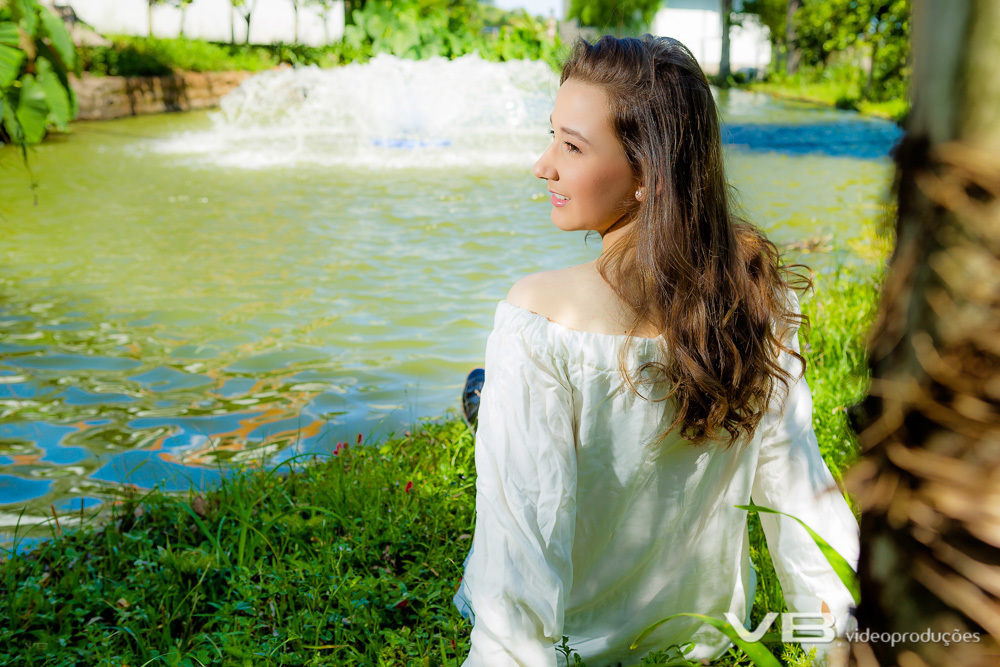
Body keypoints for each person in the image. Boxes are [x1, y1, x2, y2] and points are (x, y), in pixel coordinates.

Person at [453, 35, 860, 667]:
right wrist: (843, 640)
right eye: (552, 136)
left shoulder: (540, 313)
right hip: (702, 634)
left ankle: (481, 402)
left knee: (493, 393)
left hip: (577, 644)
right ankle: (483, 402)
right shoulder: (756, 298)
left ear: (648, 175)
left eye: (571, 145)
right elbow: (799, 493)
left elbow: (520, 560)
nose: (543, 165)